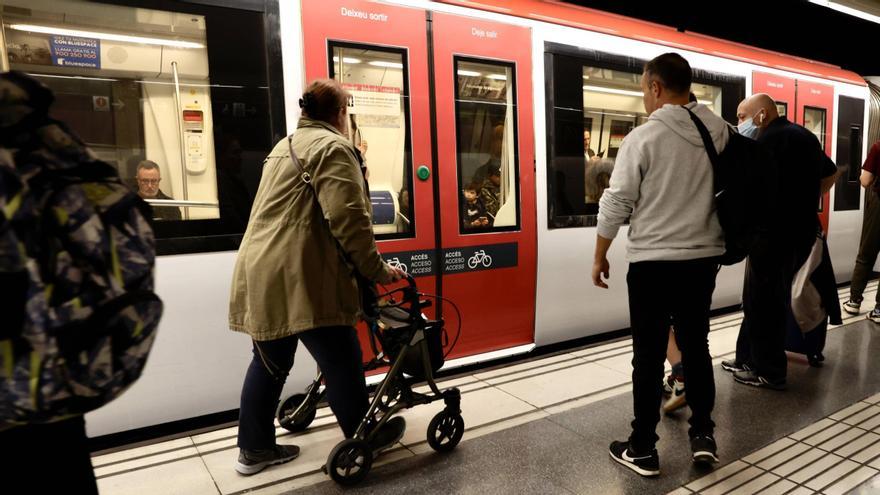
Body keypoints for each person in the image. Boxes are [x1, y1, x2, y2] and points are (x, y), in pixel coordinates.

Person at [227, 79, 407, 476]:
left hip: (261, 270)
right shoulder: (334, 148)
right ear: (340, 114)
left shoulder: (283, 147)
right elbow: (349, 221)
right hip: (301, 276)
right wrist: (377, 270)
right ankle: (365, 437)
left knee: (269, 363)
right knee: (342, 358)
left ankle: (253, 449)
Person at [593, 52, 727, 476]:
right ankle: (703, 435)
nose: (645, 100)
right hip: (703, 260)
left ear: (655, 87)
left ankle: (643, 449)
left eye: (644, 91)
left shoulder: (643, 139)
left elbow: (617, 201)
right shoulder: (718, 130)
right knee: (697, 345)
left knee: (647, 356)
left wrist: (600, 255)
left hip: (652, 262)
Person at [723, 93, 839, 389]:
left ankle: (769, 371)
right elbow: (831, 172)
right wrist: (805, 201)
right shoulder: (803, 135)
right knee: (759, 299)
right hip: (795, 233)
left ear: (762, 115)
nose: (740, 123)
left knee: (764, 303)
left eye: (742, 116)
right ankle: (747, 358)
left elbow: (747, 188)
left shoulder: (766, 141)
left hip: (770, 235)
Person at [843, 140, 880, 322]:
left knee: (866, 254)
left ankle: (854, 301)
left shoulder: (878, 146)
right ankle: (879, 310)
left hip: (879, 207)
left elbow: (865, 181)